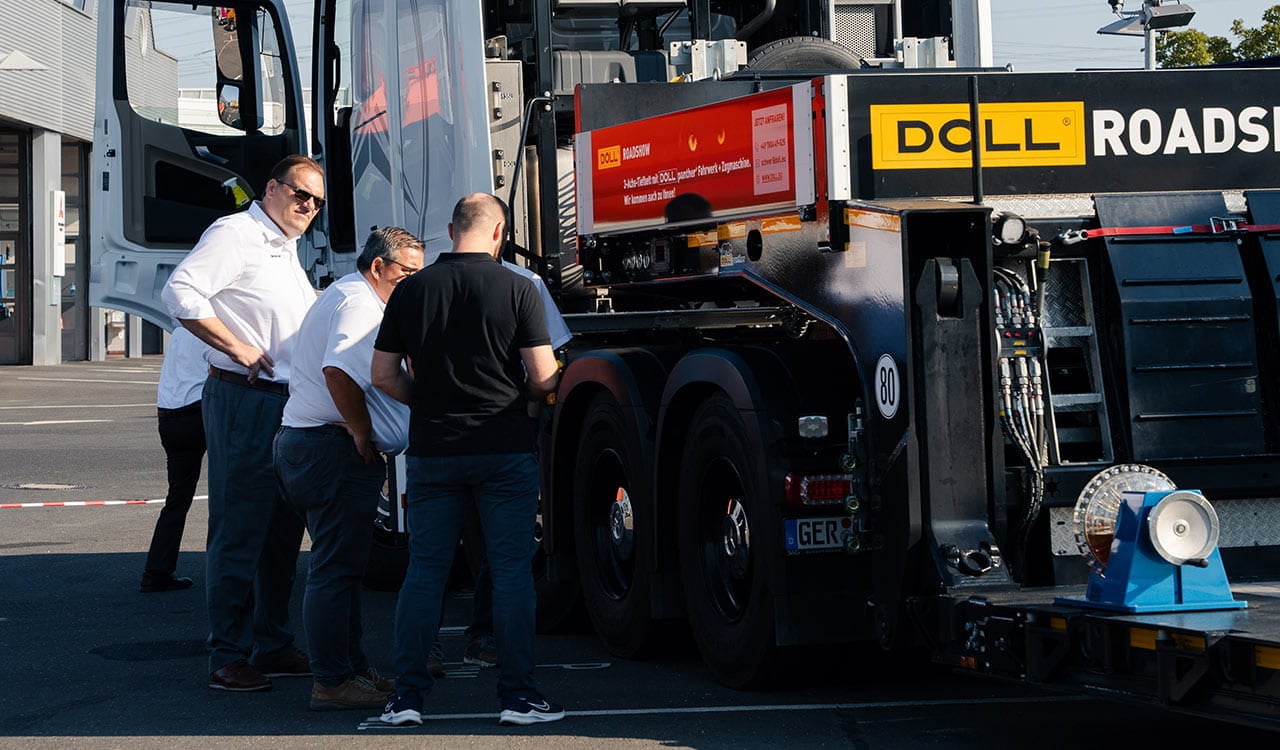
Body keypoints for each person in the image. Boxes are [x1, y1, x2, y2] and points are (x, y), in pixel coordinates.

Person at [372, 193, 564, 726]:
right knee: (509, 573)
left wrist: (430, 404)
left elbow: (383, 375)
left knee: (425, 572)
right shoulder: (520, 289)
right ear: (500, 233)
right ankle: (519, 697)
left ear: (450, 229)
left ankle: (406, 698)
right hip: (504, 448)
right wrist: (525, 401)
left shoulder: (410, 291)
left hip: (434, 451)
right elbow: (544, 375)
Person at [161, 154, 323, 693]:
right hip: (246, 399)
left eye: (317, 201)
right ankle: (227, 654)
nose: (309, 206)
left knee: (280, 529)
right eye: (301, 194)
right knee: (239, 526)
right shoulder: (237, 233)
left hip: (285, 401)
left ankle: (270, 643)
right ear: (272, 189)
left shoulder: (282, 246)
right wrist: (235, 346)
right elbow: (180, 292)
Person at [274, 227, 425, 711]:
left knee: (343, 566)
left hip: (315, 444)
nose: (412, 283)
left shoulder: (351, 294)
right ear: (378, 267)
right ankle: (333, 680)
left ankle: (351, 668)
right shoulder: (360, 304)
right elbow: (338, 369)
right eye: (407, 273)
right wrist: (361, 430)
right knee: (335, 569)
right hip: (330, 447)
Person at [140, 325, 211, 593]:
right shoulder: (214, 329)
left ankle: (156, 571)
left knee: (177, 500)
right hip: (199, 410)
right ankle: (229, 574)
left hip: (169, 414)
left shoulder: (180, 331)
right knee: (228, 492)